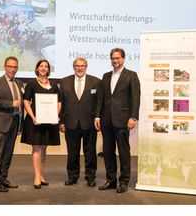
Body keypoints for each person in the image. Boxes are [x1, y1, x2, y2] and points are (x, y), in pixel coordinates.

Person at [95, 48, 141, 193]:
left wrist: (133, 117)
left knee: (123, 152)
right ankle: (111, 180)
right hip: (106, 120)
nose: (115, 61)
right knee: (108, 152)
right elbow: (100, 99)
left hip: (123, 120)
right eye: (113, 58)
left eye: (118, 58)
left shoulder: (131, 75)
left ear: (123, 58)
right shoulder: (106, 76)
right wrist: (97, 116)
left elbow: (136, 98)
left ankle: (124, 181)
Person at [21, 59, 62, 189]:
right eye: (41, 66)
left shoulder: (54, 85)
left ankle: (41, 174)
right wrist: (33, 117)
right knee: (36, 148)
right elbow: (26, 102)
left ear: (48, 70)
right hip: (35, 121)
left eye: (46, 66)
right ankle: (37, 177)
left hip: (49, 122)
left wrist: (55, 115)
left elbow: (59, 102)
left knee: (44, 148)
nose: (44, 68)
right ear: (37, 69)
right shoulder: (31, 84)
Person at [59, 57, 100, 187]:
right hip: (70, 123)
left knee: (90, 152)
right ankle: (72, 176)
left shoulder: (96, 82)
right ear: (73, 67)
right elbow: (61, 103)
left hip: (89, 124)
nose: (80, 68)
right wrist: (61, 122)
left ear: (86, 67)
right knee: (72, 152)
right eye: (77, 66)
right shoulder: (64, 82)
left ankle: (90, 176)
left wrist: (98, 118)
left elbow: (99, 103)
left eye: (82, 66)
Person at [0, 56, 24, 192]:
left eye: (15, 67)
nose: (12, 69)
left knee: (8, 152)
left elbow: (22, 102)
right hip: (2, 123)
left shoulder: (19, 83)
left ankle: (3, 178)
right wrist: (11, 104)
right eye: (10, 66)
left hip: (15, 122)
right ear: (5, 67)